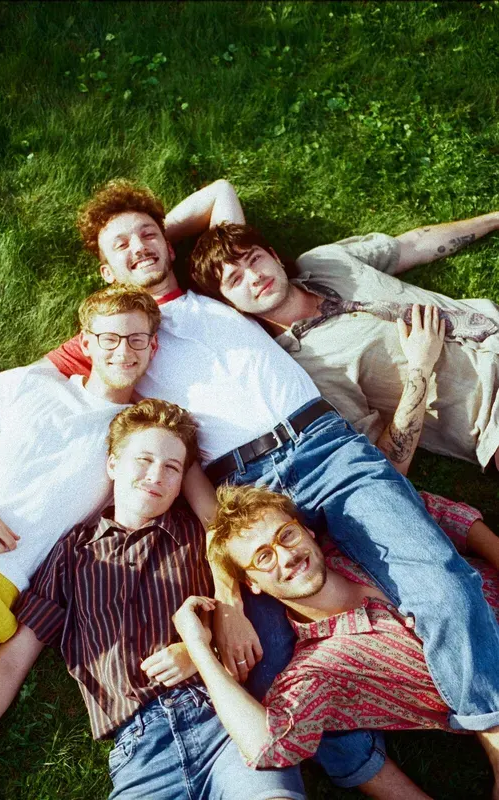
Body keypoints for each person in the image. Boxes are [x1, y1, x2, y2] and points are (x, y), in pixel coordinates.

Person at [44, 178, 499, 792]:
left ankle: (492, 734)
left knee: (438, 580)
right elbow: (37, 382)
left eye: (148, 235)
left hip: (325, 448)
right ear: (104, 271)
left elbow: (219, 194)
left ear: (172, 246)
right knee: (265, 662)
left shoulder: (222, 292)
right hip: (243, 488)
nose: (139, 247)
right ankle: (388, 784)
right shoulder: (119, 339)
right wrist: (229, 597)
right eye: (119, 246)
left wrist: (152, 239)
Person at [0, 400, 306, 800]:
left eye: (172, 468)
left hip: (222, 715)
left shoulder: (201, 535)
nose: (155, 476)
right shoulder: (73, 554)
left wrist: (199, 653)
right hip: (140, 750)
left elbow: (235, 567)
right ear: (112, 464)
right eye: (143, 460)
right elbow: (12, 661)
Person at [173, 484, 499, 799]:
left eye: (286, 535)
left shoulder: (357, 539)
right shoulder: (320, 670)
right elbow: (267, 746)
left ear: (307, 530)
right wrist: (199, 648)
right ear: (251, 583)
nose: (286, 556)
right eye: (264, 558)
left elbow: (434, 511)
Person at [189, 212, 499, 472]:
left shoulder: (325, 261)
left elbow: (411, 245)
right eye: (235, 280)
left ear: (274, 256)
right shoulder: (304, 373)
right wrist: (420, 366)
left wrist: (494, 219)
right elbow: (388, 464)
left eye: (254, 259)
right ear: (230, 306)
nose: (254, 276)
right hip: (488, 413)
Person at [0, 284, 159, 687]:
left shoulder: (139, 437)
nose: (123, 350)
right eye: (109, 338)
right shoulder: (29, 384)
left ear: (152, 347)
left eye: (136, 339)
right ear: (86, 343)